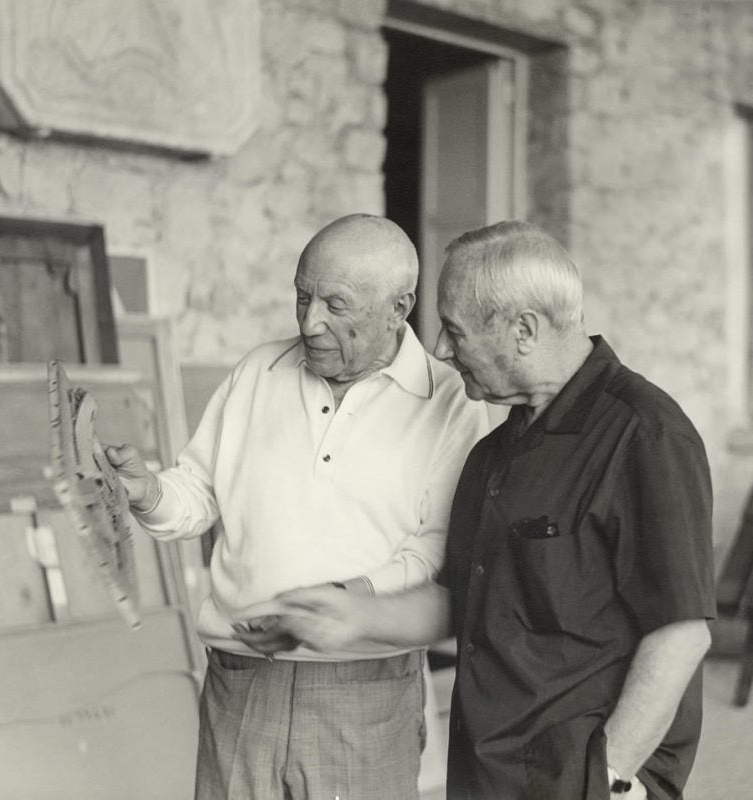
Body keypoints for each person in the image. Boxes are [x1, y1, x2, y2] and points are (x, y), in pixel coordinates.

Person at [236, 220, 716, 800]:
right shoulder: (493, 453)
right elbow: (459, 600)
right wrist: (345, 618)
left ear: (523, 330)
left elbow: (681, 632)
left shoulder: (646, 435)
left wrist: (609, 780)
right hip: (488, 771)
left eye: (455, 331)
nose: (439, 349)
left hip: (581, 780)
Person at [106, 213, 488, 800]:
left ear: (399, 306)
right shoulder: (259, 371)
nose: (310, 322)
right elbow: (201, 489)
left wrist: (345, 600)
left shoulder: (450, 402)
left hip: (365, 688)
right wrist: (148, 493)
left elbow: (436, 549)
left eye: (336, 304)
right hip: (241, 680)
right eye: (302, 297)